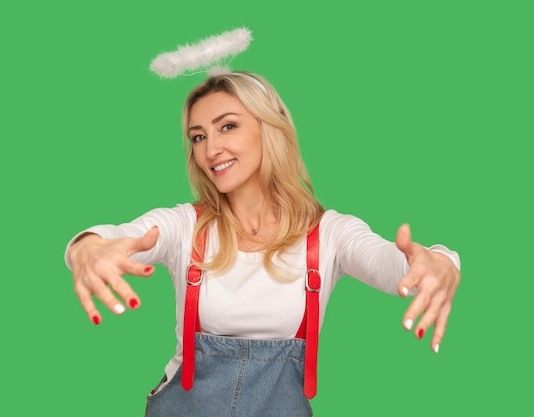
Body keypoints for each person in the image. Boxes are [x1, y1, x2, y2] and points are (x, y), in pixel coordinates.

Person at [64, 71, 461, 417]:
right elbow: (117, 235)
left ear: (268, 127)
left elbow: (394, 265)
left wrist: (440, 264)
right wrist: (86, 247)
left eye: (227, 126)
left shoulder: (329, 234)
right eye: (198, 136)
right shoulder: (187, 226)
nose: (210, 149)